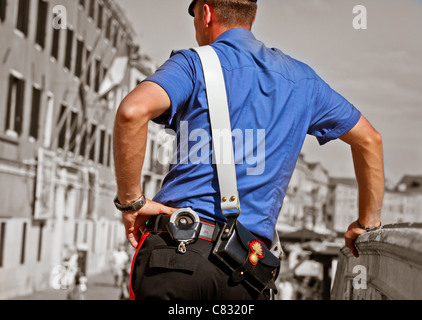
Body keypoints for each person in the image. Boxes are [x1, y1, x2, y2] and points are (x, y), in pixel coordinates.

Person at [113, 0, 384, 300]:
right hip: (244, 272)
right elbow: (370, 140)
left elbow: (132, 111)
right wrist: (365, 224)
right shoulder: (303, 81)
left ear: (206, 13)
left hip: (176, 259)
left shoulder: (192, 64)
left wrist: (131, 203)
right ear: (252, 16)